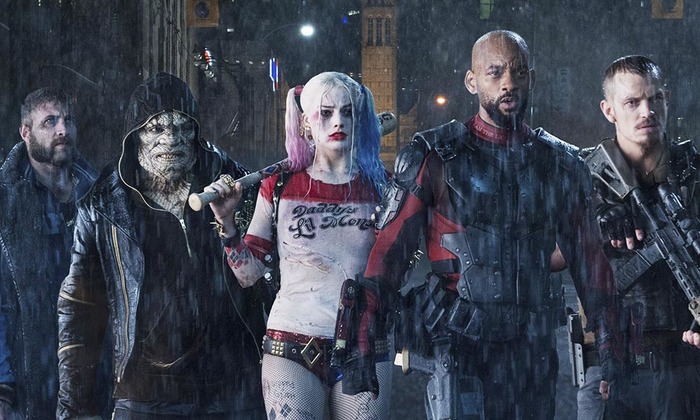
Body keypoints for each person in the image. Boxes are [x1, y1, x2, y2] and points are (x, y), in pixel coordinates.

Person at [337, 30, 622, 420]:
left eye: (518, 72)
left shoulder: (561, 163)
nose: (508, 82)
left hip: (532, 352)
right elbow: (389, 253)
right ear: (472, 81)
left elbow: (591, 263)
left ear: (531, 79)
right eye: (495, 72)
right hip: (460, 346)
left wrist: (610, 346)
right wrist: (362, 340)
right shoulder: (434, 157)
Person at [56, 72, 266, 419]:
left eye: (183, 128)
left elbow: (266, 283)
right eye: (156, 128)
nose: (171, 139)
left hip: (231, 387)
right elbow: (79, 309)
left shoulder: (233, 182)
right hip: (144, 393)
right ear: (135, 135)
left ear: (196, 132)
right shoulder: (104, 205)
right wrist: (74, 407)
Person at [206, 72, 392, 419]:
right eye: (325, 113)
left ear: (360, 118)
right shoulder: (278, 186)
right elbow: (248, 275)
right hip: (290, 343)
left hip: (366, 344)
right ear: (306, 122)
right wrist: (227, 223)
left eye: (347, 112)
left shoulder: (384, 188)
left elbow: (400, 266)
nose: (338, 122)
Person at [581, 55, 700, 419]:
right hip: (614, 365)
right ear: (609, 110)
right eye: (632, 102)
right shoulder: (585, 179)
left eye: (654, 99)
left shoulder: (693, 174)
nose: (646, 111)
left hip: (685, 366)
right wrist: (595, 220)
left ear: (667, 99)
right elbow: (548, 255)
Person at [0, 88, 98, 419]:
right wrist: (2, 381)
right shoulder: (5, 201)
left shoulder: (98, 194)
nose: (62, 130)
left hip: (91, 367)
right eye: (50, 121)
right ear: (25, 132)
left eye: (68, 120)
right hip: (28, 370)